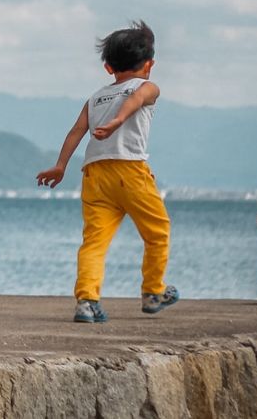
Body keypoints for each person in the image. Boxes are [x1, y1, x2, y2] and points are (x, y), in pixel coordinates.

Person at [35, 21, 179, 323]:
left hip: (94, 175)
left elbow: (76, 131)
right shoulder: (147, 87)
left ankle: (86, 302)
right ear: (149, 64)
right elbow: (136, 99)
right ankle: (153, 291)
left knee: (94, 243)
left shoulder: (96, 97)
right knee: (157, 232)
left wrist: (61, 165)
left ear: (108, 67)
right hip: (130, 170)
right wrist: (118, 121)